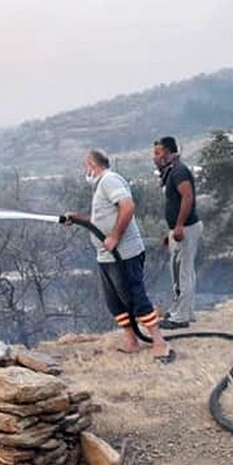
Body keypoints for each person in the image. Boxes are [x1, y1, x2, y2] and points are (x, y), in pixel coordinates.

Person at [64, 149, 174, 363]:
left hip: (124, 254)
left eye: (86, 167)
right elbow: (100, 220)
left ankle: (160, 342)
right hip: (106, 256)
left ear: (92, 165)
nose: (85, 171)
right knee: (114, 301)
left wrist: (114, 237)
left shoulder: (109, 180)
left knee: (135, 297)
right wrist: (77, 218)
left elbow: (127, 206)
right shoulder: (100, 186)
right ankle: (131, 341)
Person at [153, 136, 202, 329]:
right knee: (180, 271)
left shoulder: (179, 171)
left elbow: (187, 198)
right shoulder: (172, 172)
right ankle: (183, 311)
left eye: (158, 153)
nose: (155, 157)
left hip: (187, 228)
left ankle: (181, 317)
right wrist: (171, 230)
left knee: (184, 273)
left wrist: (180, 226)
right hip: (179, 228)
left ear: (168, 152)